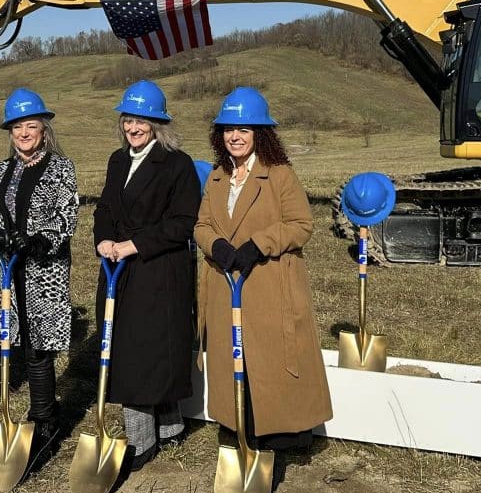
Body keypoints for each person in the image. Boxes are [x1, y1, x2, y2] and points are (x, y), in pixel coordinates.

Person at [194, 87, 331, 452]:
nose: (234, 137)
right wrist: (216, 245)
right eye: (228, 130)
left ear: (260, 135)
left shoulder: (280, 174)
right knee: (231, 357)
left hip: (268, 285)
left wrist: (259, 245)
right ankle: (237, 424)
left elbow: (302, 224)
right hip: (226, 284)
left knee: (269, 361)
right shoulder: (217, 175)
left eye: (244, 130)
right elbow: (201, 225)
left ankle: (281, 435)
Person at [93, 80, 199, 471]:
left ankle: (143, 441)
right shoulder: (117, 160)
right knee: (130, 349)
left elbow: (182, 223)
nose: (133, 128)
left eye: (142, 121)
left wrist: (132, 245)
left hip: (157, 270)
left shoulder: (177, 164)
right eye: (128, 120)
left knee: (148, 354)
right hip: (119, 268)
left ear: (157, 124)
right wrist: (103, 239)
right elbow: (104, 207)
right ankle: (168, 428)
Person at [0, 88, 79, 466]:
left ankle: (45, 420)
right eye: (17, 126)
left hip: (44, 270)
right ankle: (29, 414)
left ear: (43, 129)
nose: (23, 133)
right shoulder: (2, 169)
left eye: (30, 125)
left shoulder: (61, 168)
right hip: (10, 271)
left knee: (39, 347)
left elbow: (67, 218)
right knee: (16, 343)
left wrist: (36, 239)